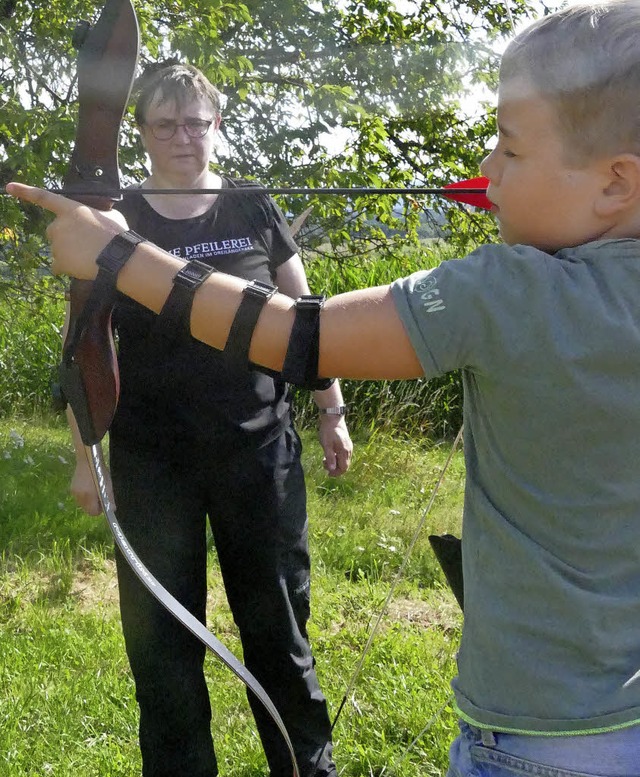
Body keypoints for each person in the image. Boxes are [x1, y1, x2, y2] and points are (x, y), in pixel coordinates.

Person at [10, 0, 640, 773]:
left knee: (277, 626)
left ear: (616, 183)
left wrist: (117, 256)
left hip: (532, 735)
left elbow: (297, 333)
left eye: (509, 147)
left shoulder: (508, 292)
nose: (486, 169)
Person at [62, 63, 353, 777]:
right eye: (167, 123)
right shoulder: (118, 215)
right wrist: (82, 455)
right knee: (162, 643)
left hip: (257, 452)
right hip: (151, 458)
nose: (185, 137)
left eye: (197, 121)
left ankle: (305, 766)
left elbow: (303, 319)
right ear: (143, 133)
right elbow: (84, 343)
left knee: (277, 630)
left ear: (216, 126)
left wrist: (330, 411)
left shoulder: (251, 205)